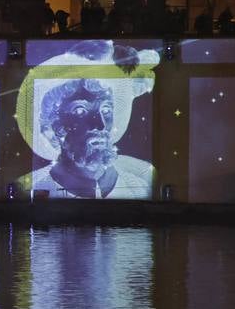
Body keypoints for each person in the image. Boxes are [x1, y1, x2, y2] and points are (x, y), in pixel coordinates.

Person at [19, 40, 158, 200]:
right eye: (80, 110)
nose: (99, 125)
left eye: (106, 110)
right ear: (55, 125)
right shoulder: (29, 188)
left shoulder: (143, 182)